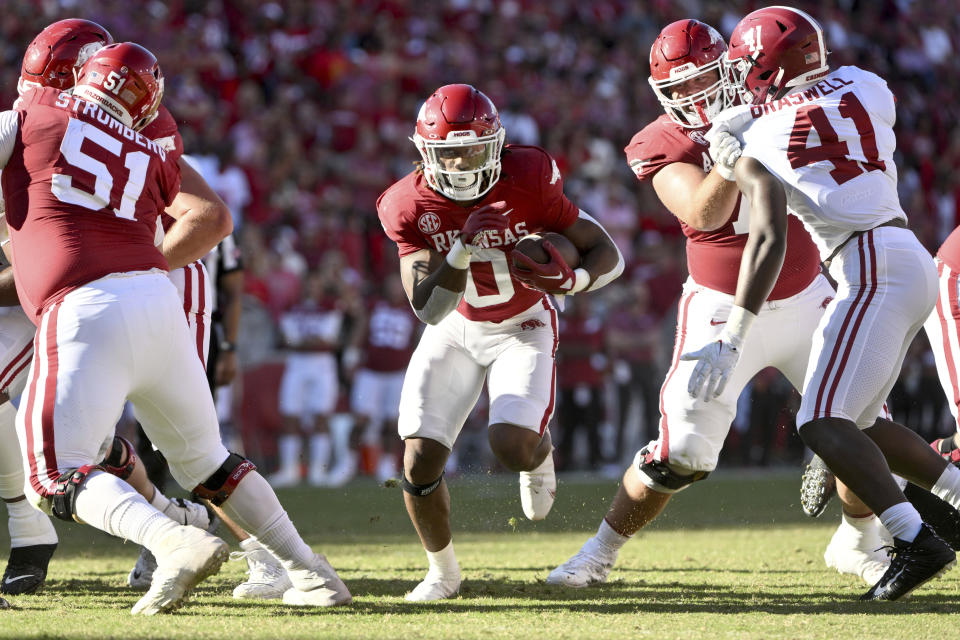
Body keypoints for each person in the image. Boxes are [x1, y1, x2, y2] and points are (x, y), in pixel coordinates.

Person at [1, 42, 350, 613]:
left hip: (85, 307)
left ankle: (172, 539)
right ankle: (311, 574)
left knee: (53, 475)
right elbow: (205, 216)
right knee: (209, 462)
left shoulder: (30, 119)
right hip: (158, 299)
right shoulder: (152, 150)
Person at [547, 17, 832, 591]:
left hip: (810, 295)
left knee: (862, 427)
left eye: (701, 81)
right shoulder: (662, 140)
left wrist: (762, 117)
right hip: (722, 308)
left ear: (730, 69)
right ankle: (599, 553)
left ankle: (867, 543)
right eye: (677, 90)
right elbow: (702, 213)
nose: (691, 97)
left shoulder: (771, 97)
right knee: (681, 453)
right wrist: (731, 152)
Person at [689, 5, 960, 601]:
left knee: (820, 421)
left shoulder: (761, 135)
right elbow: (825, 119)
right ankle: (956, 495)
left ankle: (914, 539)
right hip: (903, 251)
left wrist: (735, 330)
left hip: (867, 267)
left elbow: (766, 234)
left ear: (764, 67)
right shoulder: (869, 85)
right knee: (859, 422)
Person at [377, 83, 623, 601]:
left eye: (474, 149)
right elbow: (428, 307)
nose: (464, 163)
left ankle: (539, 450)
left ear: (498, 146)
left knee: (511, 447)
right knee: (419, 458)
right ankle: (442, 573)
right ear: (425, 153)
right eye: (451, 152)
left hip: (522, 325)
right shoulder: (405, 203)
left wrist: (574, 282)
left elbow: (604, 250)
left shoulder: (528, 176)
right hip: (454, 327)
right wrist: (463, 247)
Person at [0, 18, 216, 598]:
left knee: (185, 450)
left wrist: (130, 269)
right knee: (86, 440)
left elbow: (208, 217)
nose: (35, 99)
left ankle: (40, 527)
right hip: (81, 284)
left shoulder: (138, 125)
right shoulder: (40, 120)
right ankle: (172, 525)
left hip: (119, 285)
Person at [270, 271, 345, 487]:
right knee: (290, 416)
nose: (312, 289)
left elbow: (327, 340)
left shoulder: (331, 307)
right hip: (297, 366)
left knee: (321, 417)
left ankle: (318, 471)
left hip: (322, 367)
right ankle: (290, 469)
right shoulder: (291, 306)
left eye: (316, 284)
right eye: (309, 284)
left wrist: (302, 342)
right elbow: (288, 339)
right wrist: (307, 342)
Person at [347, 273, 418, 483]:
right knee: (360, 419)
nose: (394, 289)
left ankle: (386, 464)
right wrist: (350, 359)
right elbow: (361, 330)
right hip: (370, 372)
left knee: (392, 422)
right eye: (391, 284)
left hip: (397, 373)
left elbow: (416, 341)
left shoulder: (412, 311)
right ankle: (348, 463)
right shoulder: (374, 306)